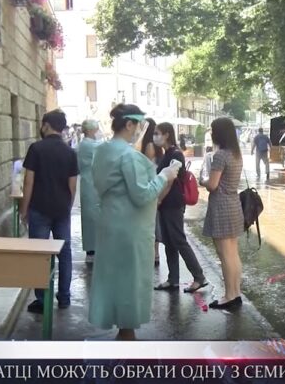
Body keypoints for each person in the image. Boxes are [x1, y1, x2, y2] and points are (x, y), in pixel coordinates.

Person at [88, 104, 180, 340]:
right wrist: (164, 176)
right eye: (139, 125)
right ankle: (127, 336)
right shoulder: (128, 156)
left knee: (112, 277)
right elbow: (142, 194)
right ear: (129, 124)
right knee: (129, 281)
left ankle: (122, 330)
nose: (140, 131)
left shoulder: (102, 151)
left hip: (109, 223)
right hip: (130, 229)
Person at [21, 109, 79, 313]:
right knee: (65, 253)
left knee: (40, 254)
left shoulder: (36, 149)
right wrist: (67, 206)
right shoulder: (70, 152)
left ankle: (42, 300)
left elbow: (28, 181)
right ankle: (64, 297)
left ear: (46, 125)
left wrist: (24, 209)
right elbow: (73, 185)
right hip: (61, 209)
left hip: (39, 207)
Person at [153, 122, 208, 293]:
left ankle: (199, 276)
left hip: (172, 203)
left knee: (178, 240)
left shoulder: (175, 154)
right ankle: (173, 279)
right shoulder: (168, 153)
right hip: (166, 203)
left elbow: (170, 181)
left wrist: (159, 200)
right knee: (169, 241)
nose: (155, 137)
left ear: (167, 134)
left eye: (157, 133)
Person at [199, 117, 244, 310]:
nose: (211, 133)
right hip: (234, 204)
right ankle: (236, 292)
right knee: (233, 253)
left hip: (221, 207)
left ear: (219, 133)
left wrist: (201, 180)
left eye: (212, 130)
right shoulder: (236, 154)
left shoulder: (220, 156)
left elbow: (212, 185)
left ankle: (229, 295)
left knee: (225, 255)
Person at [139, 118, 164, 266]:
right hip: (156, 183)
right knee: (154, 219)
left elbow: (146, 166)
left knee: (152, 220)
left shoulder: (148, 145)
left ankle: (154, 253)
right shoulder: (156, 145)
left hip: (150, 183)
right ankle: (155, 252)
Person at [77, 119, 101, 264]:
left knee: (89, 216)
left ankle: (92, 248)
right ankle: (93, 249)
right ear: (91, 130)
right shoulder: (90, 145)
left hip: (88, 181)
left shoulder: (83, 144)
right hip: (92, 182)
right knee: (92, 217)